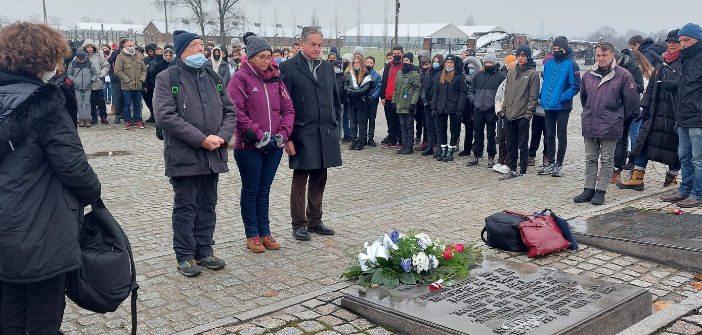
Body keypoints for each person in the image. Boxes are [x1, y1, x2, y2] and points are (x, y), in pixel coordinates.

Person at [0, 21, 101, 333]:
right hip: (40, 231)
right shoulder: (45, 103)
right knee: (44, 316)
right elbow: (74, 169)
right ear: (43, 59)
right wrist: (94, 193)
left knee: (9, 310)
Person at [153, 30, 237, 276]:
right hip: (184, 156)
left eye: (202, 45)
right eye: (194, 45)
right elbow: (165, 116)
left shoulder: (212, 75)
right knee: (186, 205)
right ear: (182, 51)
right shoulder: (168, 77)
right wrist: (201, 140)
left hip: (213, 155)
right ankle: (185, 255)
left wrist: (222, 136)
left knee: (208, 204)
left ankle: (204, 250)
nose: (201, 50)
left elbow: (230, 109)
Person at [227, 36, 294, 252]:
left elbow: (288, 110)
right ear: (251, 57)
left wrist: (282, 134)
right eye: (261, 57)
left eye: (269, 56)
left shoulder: (276, 79)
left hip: (274, 145)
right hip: (249, 147)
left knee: (264, 190)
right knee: (251, 190)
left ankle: (265, 231)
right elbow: (237, 111)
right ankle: (252, 234)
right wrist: (259, 134)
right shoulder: (240, 79)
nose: (266, 61)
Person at [279, 26, 342, 241]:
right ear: (302, 43)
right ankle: (299, 224)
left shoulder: (327, 67)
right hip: (301, 131)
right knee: (300, 178)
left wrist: (336, 126)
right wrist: (287, 137)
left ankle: (315, 220)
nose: (316, 48)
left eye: (319, 45)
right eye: (312, 44)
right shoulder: (288, 67)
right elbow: (283, 105)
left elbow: (335, 100)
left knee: (320, 176)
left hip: (325, 130)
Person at [618, 29, 683, 192]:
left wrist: (676, 86)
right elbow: (652, 85)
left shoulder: (686, 61)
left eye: (675, 42)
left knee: (675, 146)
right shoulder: (662, 61)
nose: (671, 44)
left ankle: (672, 177)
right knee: (644, 141)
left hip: (675, 112)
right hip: (655, 110)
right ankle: (637, 178)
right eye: (669, 42)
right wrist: (645, 107)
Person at [575, 42, 638, 205]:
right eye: (598, 55)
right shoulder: (588, 75)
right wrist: (589, 112)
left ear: (612, 56)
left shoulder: (624, 75)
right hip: (590, 122)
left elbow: (631, 101)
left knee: (607, 159)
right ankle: (588, 188)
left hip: (611, 124)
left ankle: (601, 190)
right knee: (590, 158)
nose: (601, 58)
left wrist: (617, 116)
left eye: (604, 55)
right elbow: (584, 97)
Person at [659, 24, 702, 207]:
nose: (683, 44)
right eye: (681, 40)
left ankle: (698, 194)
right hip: (684, 117)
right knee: (684, 156)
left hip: (698, 118)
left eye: (687, 40)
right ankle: (685, 189)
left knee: (698, 159)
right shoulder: (687, 59)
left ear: (697, 40)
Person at [538, 36, 581, 177]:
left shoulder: (571, 64)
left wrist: (561, 98)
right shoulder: (548, 64)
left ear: (565, 49)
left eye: (559, 49)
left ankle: (559, 164)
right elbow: (545, 83)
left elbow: (575, 87)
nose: (556, 51)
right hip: (548, 105)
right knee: (549, 134)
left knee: (561, 135)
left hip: (562, 106)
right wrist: (542, 96)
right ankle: (550, 162)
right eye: (554, 49)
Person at [500, 46, 539, 180]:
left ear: (528, 57)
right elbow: (507, 93)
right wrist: (504, 112)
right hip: (509, 115)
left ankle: (522, 170)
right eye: (518, 55)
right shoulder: (511, 73)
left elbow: (533, 97)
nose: (520, 58)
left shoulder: (533, 74)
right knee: (510, 143)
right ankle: (512, 169)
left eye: (523, 55)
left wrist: (527, 116)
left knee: (522, 144)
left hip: (522, 115)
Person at [610, 47, 647, 182]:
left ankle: (619, 168)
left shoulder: (633, 67)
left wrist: (622, 85)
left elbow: (640, 86)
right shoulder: (609, 67)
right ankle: (613, 166)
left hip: (629, 108)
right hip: (613, 108)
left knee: (624, 138)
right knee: (614, 139)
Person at [467, 50, 505, 167]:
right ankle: (476, 154)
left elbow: (502, 93)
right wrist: (474, 101)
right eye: (486, 62)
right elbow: (471, 90)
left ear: (494, 63)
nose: (488, 64)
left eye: (490, 62)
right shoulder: (478, 75)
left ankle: (491, 156)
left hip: (491, 110)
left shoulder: (500, 76)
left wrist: (496, 106)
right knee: (477, 133)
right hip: (478, 109)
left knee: (491, 134)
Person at [431, 54, 467, 161]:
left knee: (453, 129)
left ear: (454, 64)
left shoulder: (459, 76)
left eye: (451, 63)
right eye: (447, 62)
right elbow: (436, 93)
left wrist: (460, 109)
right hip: (441, 106)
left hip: (453, 106)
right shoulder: (439, 75)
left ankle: (451, 149)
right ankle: (443, 149)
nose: (448, 64)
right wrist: (433, 107)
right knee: (441, 129)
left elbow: (462, 93)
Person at [344, 54, 376, 151]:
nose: (356, 64)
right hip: (352, 101)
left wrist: (352, 92)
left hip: (361, 101)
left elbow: (364, 89)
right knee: (353, 123)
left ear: (361, 63)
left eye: (358, 63)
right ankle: (354, 140)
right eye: (354, 63)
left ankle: (360, 141)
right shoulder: (350, 74)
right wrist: (348, 91)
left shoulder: (366, 75)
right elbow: (346, 85)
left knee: (361, 123)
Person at [114, 39, 147, 129]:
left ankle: (137, 120)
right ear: (125, 46)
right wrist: (127, 80)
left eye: (133, 46)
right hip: (127, 86)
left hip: (138, 85)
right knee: (127, 105)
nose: (132, 47)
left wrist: (142, 79)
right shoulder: (120, 57)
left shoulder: (139, 57)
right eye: (130, 46)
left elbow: (144, 69)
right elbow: (117, 71)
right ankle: (127, 121)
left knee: (137, 105)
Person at [393, 52, 421, 155]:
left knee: (409, 126)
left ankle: (409, 146)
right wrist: (394, 101)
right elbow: (396, 89)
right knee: (402, 126)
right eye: (403, 60)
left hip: (409, 104)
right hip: (400, 104)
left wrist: (413, 103)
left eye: (407, 61)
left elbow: (417, 90)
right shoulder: (399, 73)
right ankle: (404, 145)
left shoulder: (415, 74)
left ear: (411, 62)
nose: (405, 62)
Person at [81, 39, 110, 125]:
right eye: (88, 47)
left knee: (101, 100)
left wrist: (101, 75)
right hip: (86, 83)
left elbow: (106, 65)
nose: (90, 49)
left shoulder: (98, 56)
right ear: (85, 48)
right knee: (90, 101)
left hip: (98, 81)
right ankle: (93, 117)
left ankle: (103, 116)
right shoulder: (80, 57)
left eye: (91, 47)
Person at [380, 46, 405, 148]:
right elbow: (384, 81)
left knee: (400, 120)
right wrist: (382, 96)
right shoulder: (388, 66)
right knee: (390, 120)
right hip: (388, 96)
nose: (396, 55)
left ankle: (401, 139)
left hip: (400, 98)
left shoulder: (404, 66)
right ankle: (392, 139)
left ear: (402, 54)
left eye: (398, 53)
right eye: (394, 54)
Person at [67, 49, 98, 127]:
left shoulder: (89, 64)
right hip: (77, 86)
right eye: (80, 59)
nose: (82, 60)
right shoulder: (72, 64)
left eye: (83, 59)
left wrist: (92, 80)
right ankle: (81, 118)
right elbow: (69, 74)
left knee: (87, 103)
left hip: (87, 86)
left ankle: (87, 119)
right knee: (79, 103)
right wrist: (74, 80)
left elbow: (95, 73)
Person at [458, 55, 482, 157]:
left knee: (478, 130)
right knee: (468, 129)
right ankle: (467, 148)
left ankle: (478, 150)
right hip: (467, 107)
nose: (470, 70)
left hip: (476, 106)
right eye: (468, 68)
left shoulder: (479, 79)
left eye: (472, 68)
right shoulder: (464, 79)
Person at [424, 54, 444, 157]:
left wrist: (433, 102)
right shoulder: (428, 73)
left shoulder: (442, 74)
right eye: (434, 61)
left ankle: (439, 148)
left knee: (438, 127)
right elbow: (424, 87)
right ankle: (430, 147)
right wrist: (424, 100)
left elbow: (439, 91)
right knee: (429, 127)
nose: (436, 63)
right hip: (427, 103)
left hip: (436, 104)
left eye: (438, 61)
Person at [144, 48, 171, 123]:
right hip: (155, 84)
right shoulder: (154, 63)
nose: (168, 57)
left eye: (160, 52)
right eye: (157, 52)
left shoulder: (174, 63)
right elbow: (151, 73)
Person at [108, 37, 128, 123]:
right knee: (118, 97)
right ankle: (117, 114)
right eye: (123, 43)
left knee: (126, 97)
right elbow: (109, 63)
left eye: (125, 43)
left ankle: (125, 114)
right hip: (118, 77)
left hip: (128, 77)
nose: (124, 45)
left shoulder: (130, 53)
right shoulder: (116, 53)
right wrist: (112, 74)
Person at [366, 56, 382, 146]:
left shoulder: (377, 76)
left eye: (371, 63)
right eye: (367, 62)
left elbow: (378, 88)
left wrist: (373, 97)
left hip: (373, 102)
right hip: (363, 102)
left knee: (372, 121)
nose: (369, 64)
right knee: (363, 121)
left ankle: (371, 138)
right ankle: (363, 137)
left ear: (374, 64)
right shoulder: (362, 73)